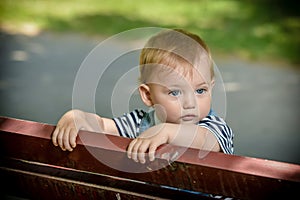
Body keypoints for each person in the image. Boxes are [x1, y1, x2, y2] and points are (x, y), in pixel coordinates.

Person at [52, 28, 234, 164]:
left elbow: (203, 141)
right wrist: (79, 117)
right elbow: (104, 127)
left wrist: (166, 131)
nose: (190, 103)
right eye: (175, 92)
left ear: (211, 87)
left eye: (200, 91)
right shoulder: (141, 123)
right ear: (148, 95)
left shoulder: (215, 127)